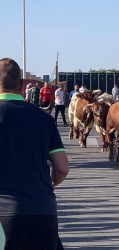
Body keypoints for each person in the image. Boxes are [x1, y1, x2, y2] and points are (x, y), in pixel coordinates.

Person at [0, 58, 69, 249]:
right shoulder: (43, 118)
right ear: (22, 85)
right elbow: (62, 168)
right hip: (42, 210)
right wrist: (47, 184)